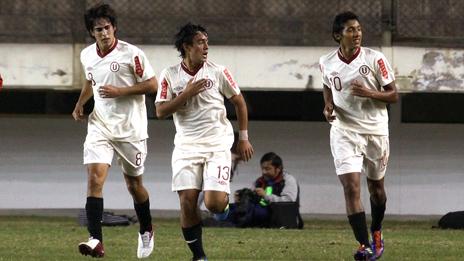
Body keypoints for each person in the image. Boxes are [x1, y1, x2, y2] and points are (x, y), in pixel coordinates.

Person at [155, 22, 254, 261]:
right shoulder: (170, 74)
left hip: (217, 145)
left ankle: (224, 206)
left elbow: (239, 103)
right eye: (200, 42)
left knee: (213, 204)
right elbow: (160, 111)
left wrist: (243, 138)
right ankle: (199, 256)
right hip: (186, 147)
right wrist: (186, 94)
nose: (206, 46)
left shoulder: (218, 71)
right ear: (187, 46)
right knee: (187, 203)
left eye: (207, 42)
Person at [72, 3, 158, 259]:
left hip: (131, 129)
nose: (104, 33)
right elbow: (90, 81)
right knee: (95, 178)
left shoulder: (131, 54)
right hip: (100, 125)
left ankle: (146, 228)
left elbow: (152, 84)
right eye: (98, 29)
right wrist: (79, 103)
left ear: (114, 27)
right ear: (92, 32)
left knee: (134, 185)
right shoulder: (87, 55)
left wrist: (120, 91)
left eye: (107, 28)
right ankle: (96, 239)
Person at [319, 11, 398, 260]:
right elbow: (326, 84)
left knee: (376, 190)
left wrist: (369, 93)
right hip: (344, 131)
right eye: (351, 30)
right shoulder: (326, 61)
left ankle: (376, 230)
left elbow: (393, 95)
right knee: (351, 187)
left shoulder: (375, 58)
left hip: (375, 131)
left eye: (359, 29)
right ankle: (364, 246)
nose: (357, 34)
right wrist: (328, 104)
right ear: (337, 35)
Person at [230, 152, 301, 228]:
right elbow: (252, 196)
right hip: (263, 212)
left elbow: (289, 201)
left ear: (278, 169)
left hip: (280, 216)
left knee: (258, 212)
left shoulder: (288, 180)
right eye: (262, 169)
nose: (264, 172)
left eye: (267, 169)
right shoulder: (260, 181)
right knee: (229, 209)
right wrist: (241, 198)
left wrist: (266, 196)